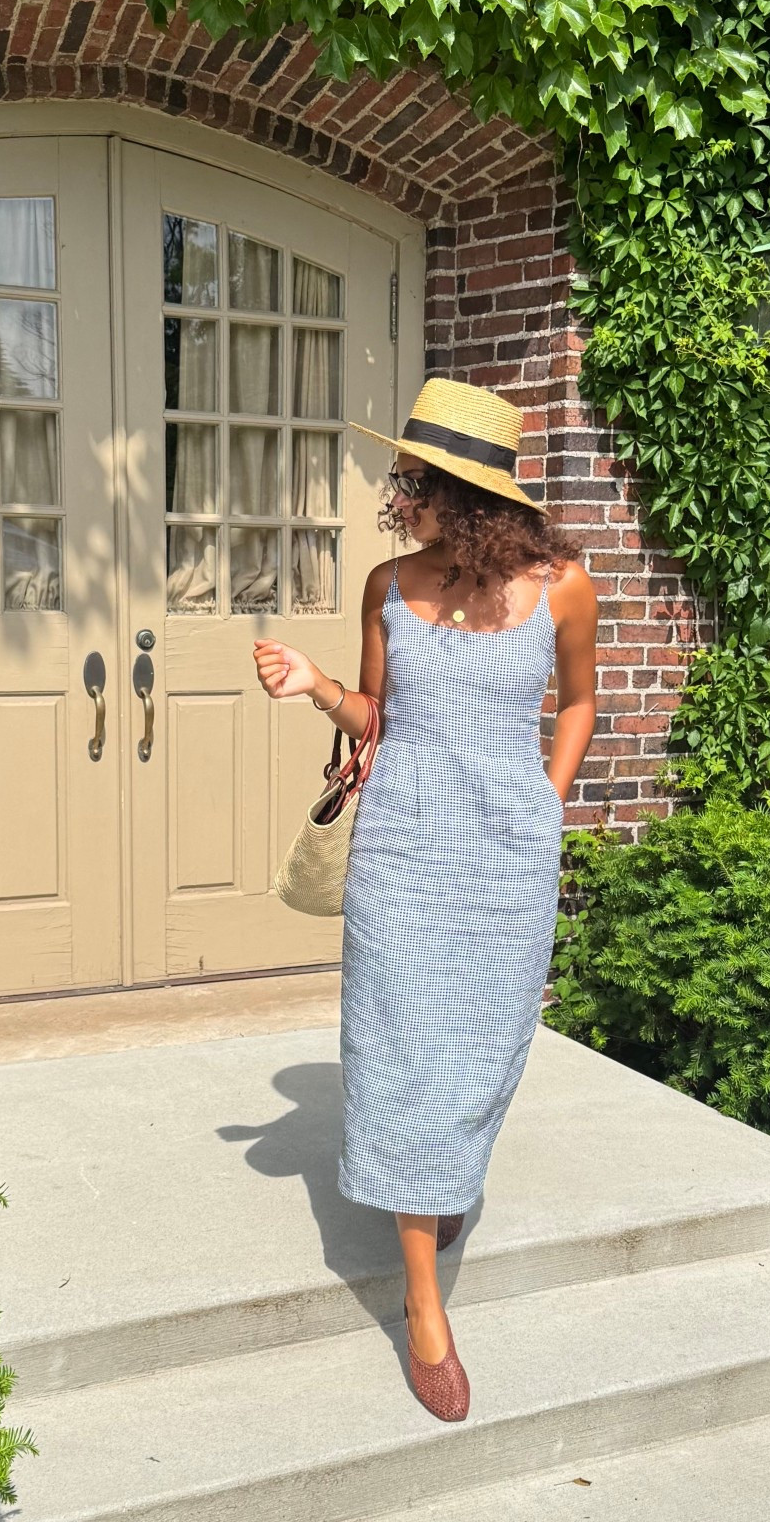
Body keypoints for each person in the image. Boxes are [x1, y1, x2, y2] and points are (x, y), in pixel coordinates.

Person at [253, 378, 598, 1422]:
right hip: (402, 850)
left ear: (467, 492)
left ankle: (438, 1177)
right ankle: (423, 1306)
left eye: (413, 480)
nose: (397, 494)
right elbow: (378, 717)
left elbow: (578, 701)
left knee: (487, 1045)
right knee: (401, 1051)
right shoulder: (386, 583)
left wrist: (545, 803)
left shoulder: (561, 584)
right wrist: (314, 684)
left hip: (504, 855)